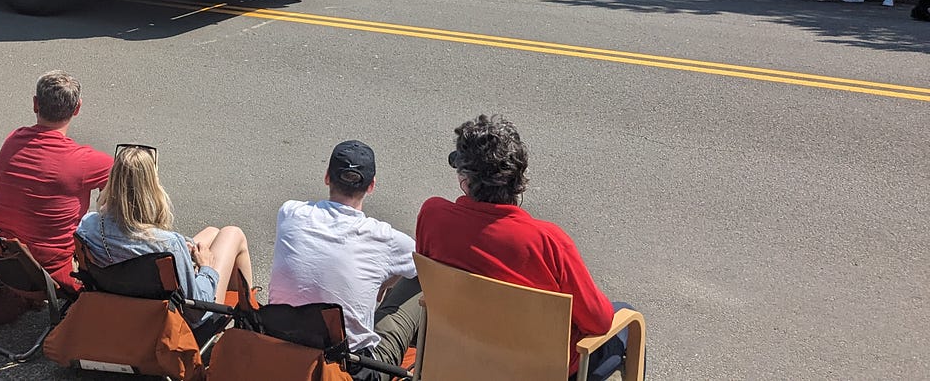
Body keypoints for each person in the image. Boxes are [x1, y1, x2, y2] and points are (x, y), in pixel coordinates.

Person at [416, 115, 631, 381]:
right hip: (540, 372)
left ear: (465, 178)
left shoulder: (433, 216)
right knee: (626, 318)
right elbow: (598, 321)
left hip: (462, 358)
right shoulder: (548, 241)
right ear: (519, 179)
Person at [269, 141, 420, 380]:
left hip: (284, 350)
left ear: (327, 177)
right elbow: (426, 261)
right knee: (420, 276)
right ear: (371, 185)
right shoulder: (385, 239)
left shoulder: (290, 212)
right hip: (348, 370)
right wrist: (387, 281)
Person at [77, 144, 252, 305]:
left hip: (117, 303)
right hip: (174, 316)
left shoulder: (88, 226)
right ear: (151, 186)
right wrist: (206, 268)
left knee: (213, 232)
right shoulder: (168, 244)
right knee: (232, 233)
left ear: (113, 181)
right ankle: (249, 315)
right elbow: (198, 303)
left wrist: (184, 249)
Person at [0, 70, 113, 294]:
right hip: (49, 268)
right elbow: (125, 199)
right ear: (77, 108)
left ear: (35, 104)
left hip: (2, 257)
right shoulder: (88, 161)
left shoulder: (12, 140)